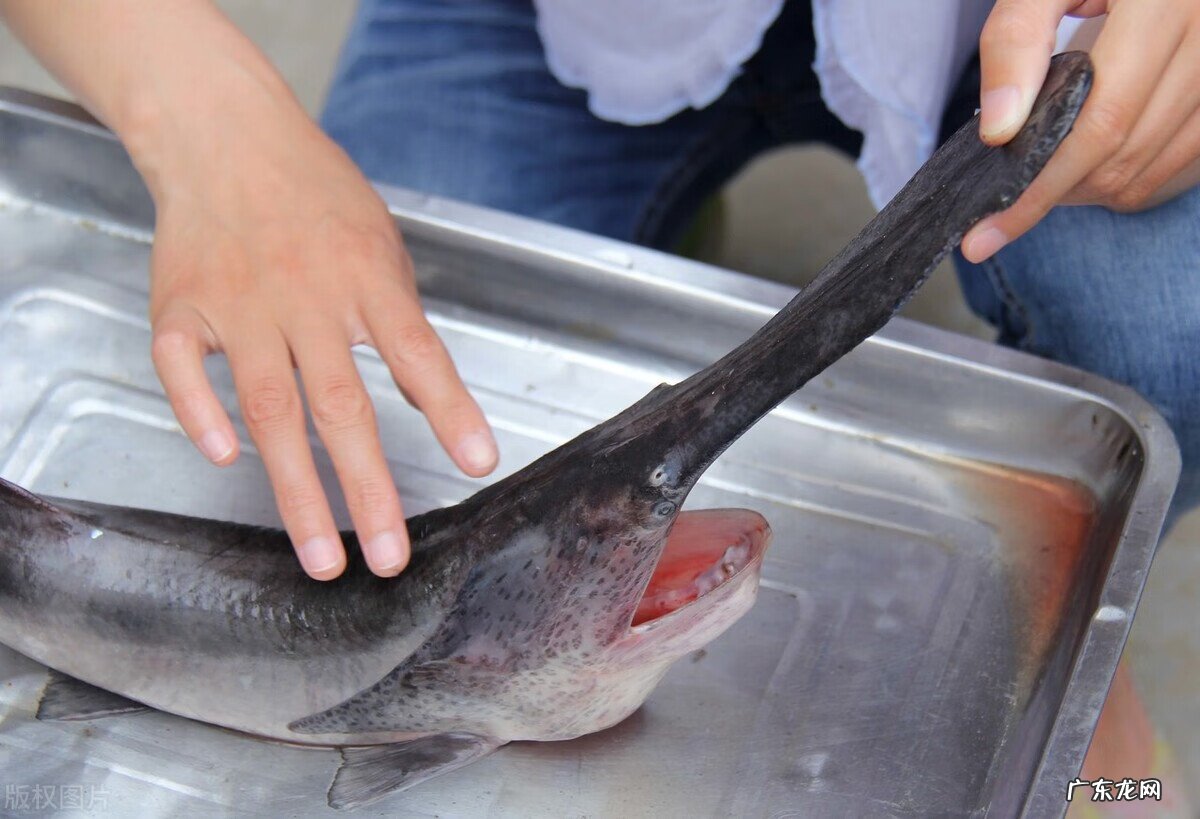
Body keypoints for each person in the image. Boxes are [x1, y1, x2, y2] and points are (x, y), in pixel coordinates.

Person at [2, 0, 1196, 812]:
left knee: (1169, 320)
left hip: (1006, 32)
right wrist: (205, 118)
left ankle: (1107, 722)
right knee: (367, 331)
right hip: (559, 19)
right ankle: (663, 231)